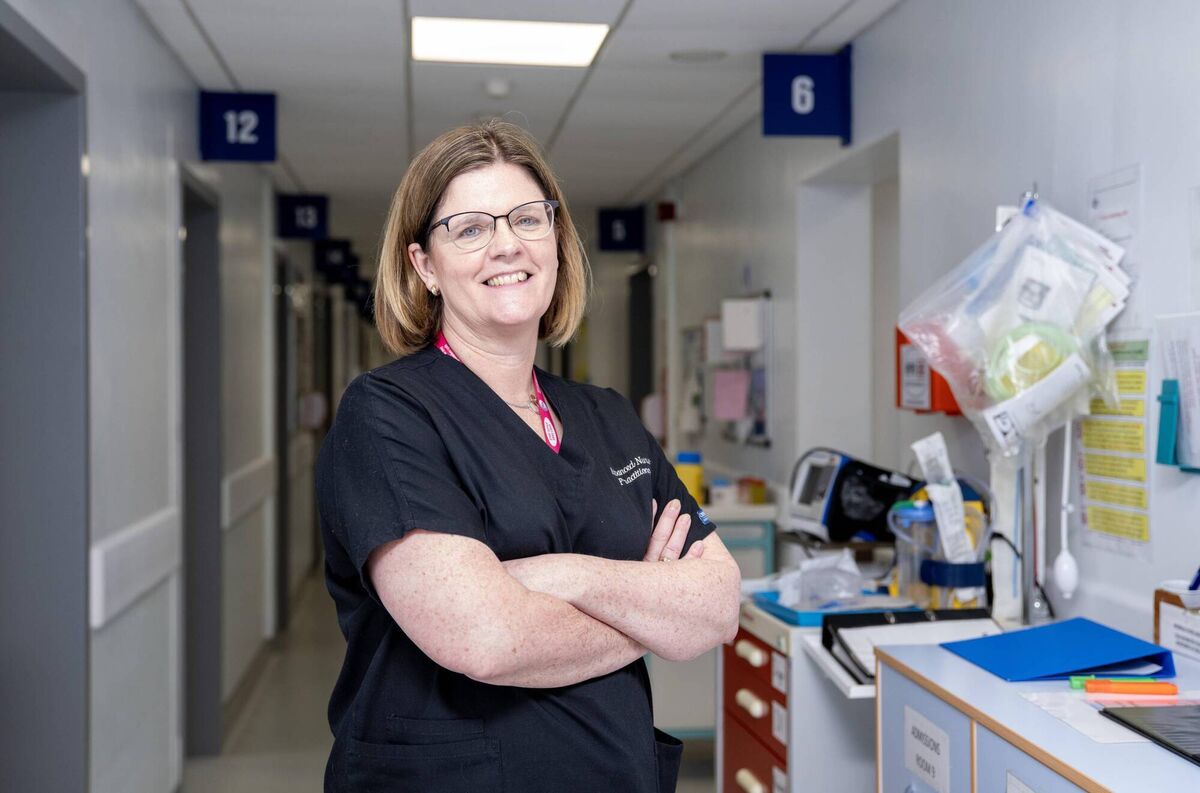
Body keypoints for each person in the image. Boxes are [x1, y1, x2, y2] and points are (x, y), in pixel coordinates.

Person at [316, 120, 741, 792]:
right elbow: (484, 638)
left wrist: (562, 574)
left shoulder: (606, 416)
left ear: (557, 242)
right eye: (470, 228)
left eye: (527, 218)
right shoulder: (387, 414)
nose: (506, 244)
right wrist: (654, 610)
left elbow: (717, 605)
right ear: (424, 264)